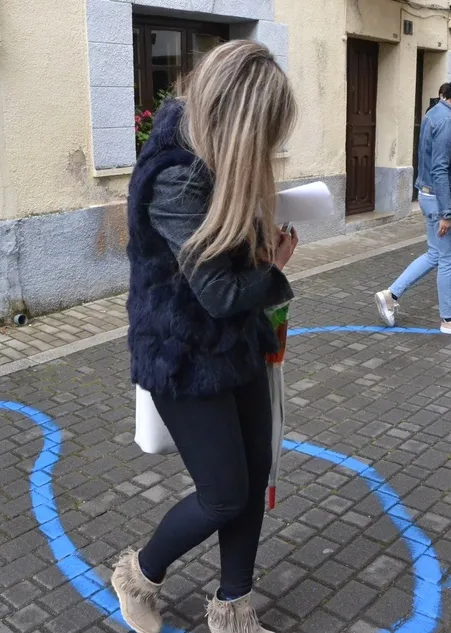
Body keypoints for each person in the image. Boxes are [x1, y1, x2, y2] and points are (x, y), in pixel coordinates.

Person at [115, 40, 298, 633]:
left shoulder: (210, 153)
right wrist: (274, 270)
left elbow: (221, 263)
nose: (267, 149)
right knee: (223, 495)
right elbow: (217, 292)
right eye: (264, 135)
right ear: (239, 122)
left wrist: (261, 249)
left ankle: (233, 612)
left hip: (234, 343)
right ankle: (137, 576)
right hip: (182, 356)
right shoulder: (177, 175)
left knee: (253, 478)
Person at [374, 71, 451, 338]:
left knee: (435, 254)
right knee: (448, 260)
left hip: (429, 195)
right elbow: (439, 168)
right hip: (442, 200)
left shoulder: (435, 113)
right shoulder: (448, 120)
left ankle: (391, 295)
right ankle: (449, 319)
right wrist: (446, 213)